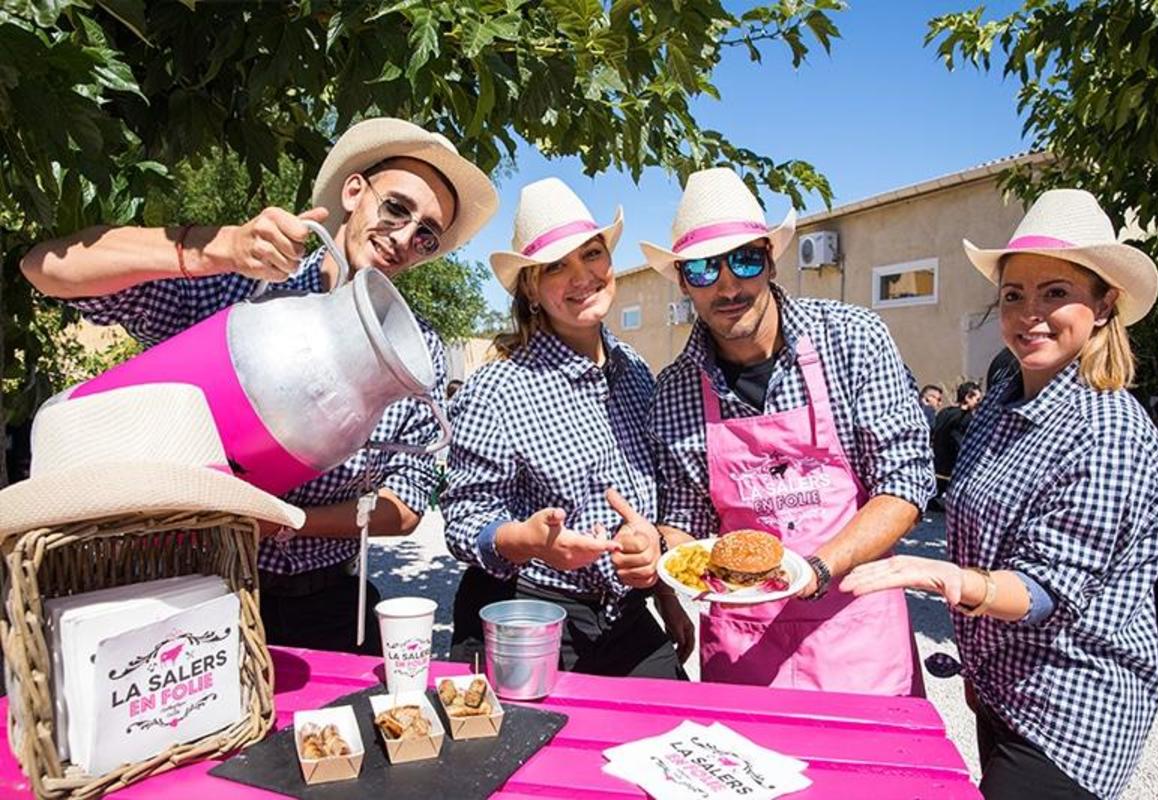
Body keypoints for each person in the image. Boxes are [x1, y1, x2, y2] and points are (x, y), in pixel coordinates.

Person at [20, 118, 499, 655]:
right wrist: (210, 249)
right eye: (397, 209)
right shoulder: (242, 281)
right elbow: (46, 269)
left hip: (327, 608)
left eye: (427, 235)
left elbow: (405, 503)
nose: (405, 238)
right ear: (354, 191)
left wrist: (283, 524)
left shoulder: (415, 354)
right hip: (187, 596)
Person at [841, 189, 1158, 800]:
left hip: (1069, 712)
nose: (1030, 314)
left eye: (1056, 293)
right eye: (1014, 295)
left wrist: (939, 575)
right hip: (1002, 686)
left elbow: (1045, 591)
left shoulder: (1109, 433)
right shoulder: (1002, 397)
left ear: (1104, 305)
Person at [633, 167, 934, 693]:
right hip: (743, 646)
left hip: (857, 634)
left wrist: (817, 569)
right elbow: (687, 521)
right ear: (682, 280)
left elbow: (904, 485)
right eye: (704, 270)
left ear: (770, 260)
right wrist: (660, 548)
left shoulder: (854, 340)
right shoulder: (675, 391)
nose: (728, 285)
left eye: (745, 259)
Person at [441, 178, 691, 678]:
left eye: (592, 254)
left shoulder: (636, 370)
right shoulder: (498, 387)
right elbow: (462, 520)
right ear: (531, 288)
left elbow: (646, 511)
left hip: (623, 616)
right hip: (527, 614)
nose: (583, 276)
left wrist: (662, 587)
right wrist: (528, 541)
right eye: (557, 265)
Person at [932, 381, 982, 497]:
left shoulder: (944, 412)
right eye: (977, 400)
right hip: (951, 473)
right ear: (968, 397)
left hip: (937, 468)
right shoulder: (965, 419)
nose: (979, 404)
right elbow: (962, 445)